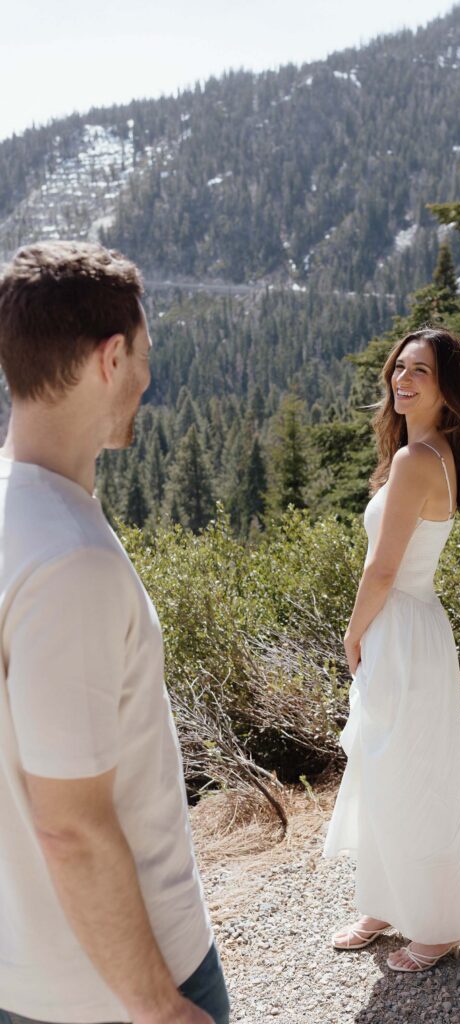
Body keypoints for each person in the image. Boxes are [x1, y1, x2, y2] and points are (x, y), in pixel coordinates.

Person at [0, 241, 229, 1024]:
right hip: (115, 986)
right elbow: (70, 825)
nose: (146, 377)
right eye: (145, 352)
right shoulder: (70, 562)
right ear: (110, 357)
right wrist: (159, 1006)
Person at [323, 326, 460, 973]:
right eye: (398, 368)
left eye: (419, 371)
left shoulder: (419, 460)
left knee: (411, 775)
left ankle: (438, 925)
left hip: (401, 625)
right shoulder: (422, 450)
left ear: (445, 391)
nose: (401, 380)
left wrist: (352, 632)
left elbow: (381, 570)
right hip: (410, 628)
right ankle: (384, 901)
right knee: (385, 771)